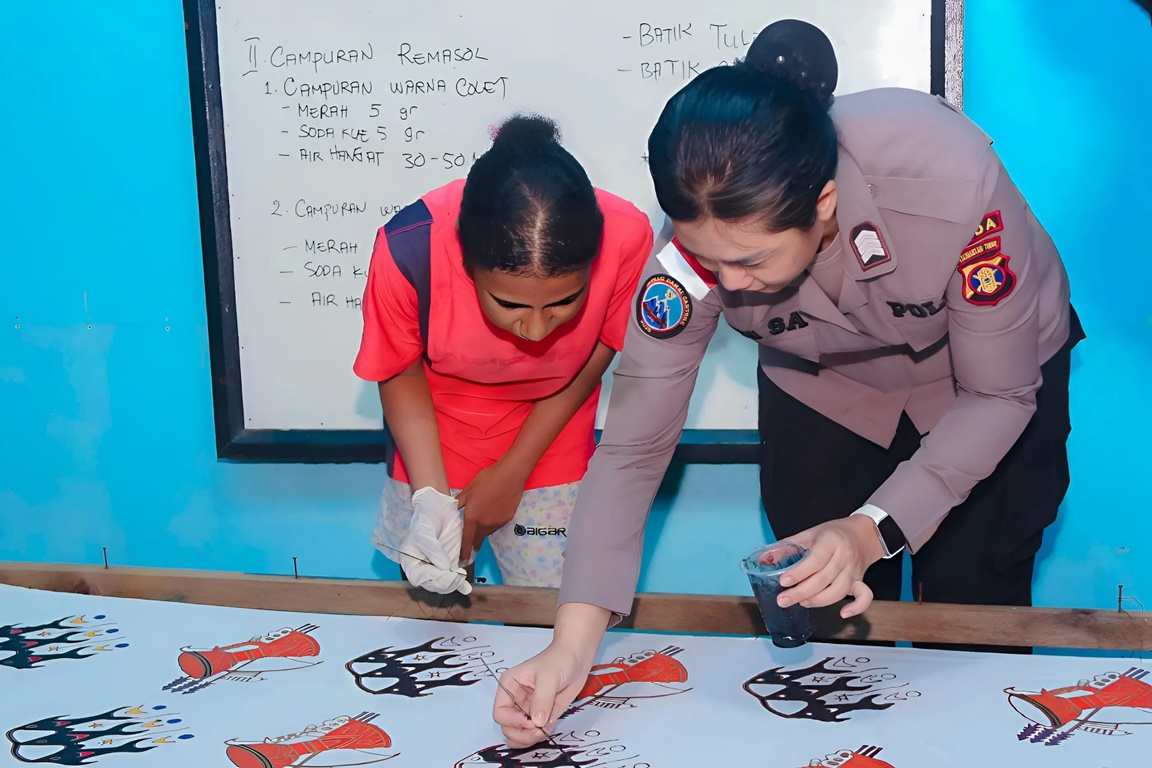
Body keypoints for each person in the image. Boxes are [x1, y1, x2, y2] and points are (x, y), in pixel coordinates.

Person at [493, 20, 1083, 745]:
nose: (728, 284)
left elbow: (998, 396)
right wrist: (570, 644)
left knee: (978, 590)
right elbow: (633, 451)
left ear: (824, 206)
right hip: (826, 384)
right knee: (819, 599)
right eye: (710, 260)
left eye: (752, 261)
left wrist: (872, 529)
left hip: (984, 379)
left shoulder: (949, 182)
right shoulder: (695, 261)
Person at [353, 114, 654, 594]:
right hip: (432, 429)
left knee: (558, 602)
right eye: (510, 304)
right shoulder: (409, 247)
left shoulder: (625, 237)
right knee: (436, 592)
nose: (536, 331)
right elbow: (400, 370)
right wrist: (431, 497)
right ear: (467, 264)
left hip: (552, 426)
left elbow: (603, 348)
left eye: (563, 303)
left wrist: (514, 471)